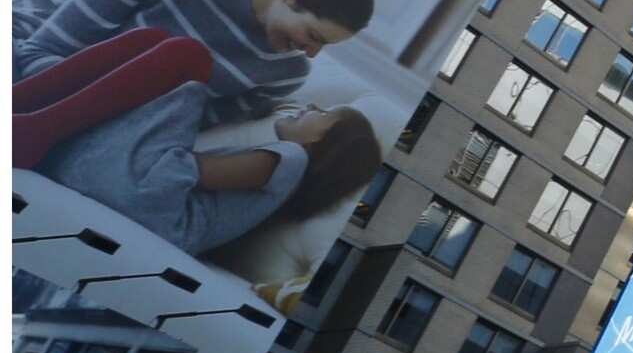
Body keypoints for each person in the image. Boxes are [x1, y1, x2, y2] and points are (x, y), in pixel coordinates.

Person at [14, 0, 378, 159]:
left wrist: (95, 123)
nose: (311, 54)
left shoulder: (286, 72)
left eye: (323, 47)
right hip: (34, 47)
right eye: (313, 36)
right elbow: (45, 47)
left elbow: (181, 125)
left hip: (91, 116)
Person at [32, 95, 381, 256]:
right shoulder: (288, 171)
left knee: (191, 90)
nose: (311, 106)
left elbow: (192, 171)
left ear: (325, 138)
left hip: (158, 214)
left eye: (323, 111)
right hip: (157, 213)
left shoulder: (292, 158)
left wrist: (167, 145)